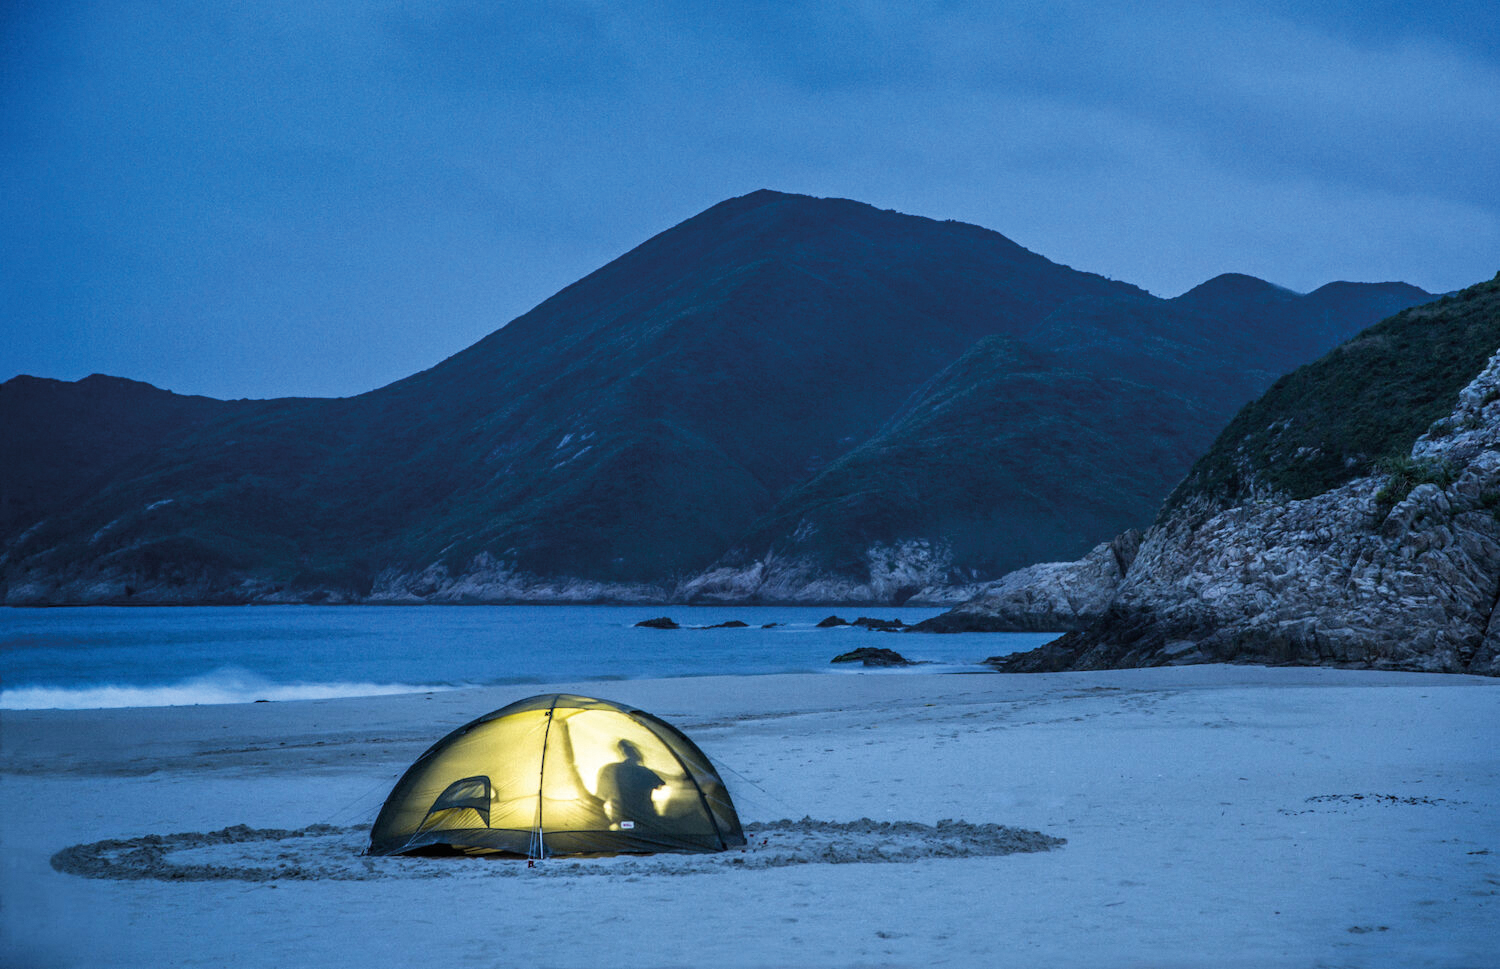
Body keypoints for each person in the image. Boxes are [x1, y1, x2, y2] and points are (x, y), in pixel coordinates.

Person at [595, 739, 665, 829]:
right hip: (643, 821)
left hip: (626, 821)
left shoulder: (612, 769)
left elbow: (600, 796)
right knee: (632, 827)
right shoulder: (645, 772)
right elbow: (661, 783)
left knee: (628, 827)